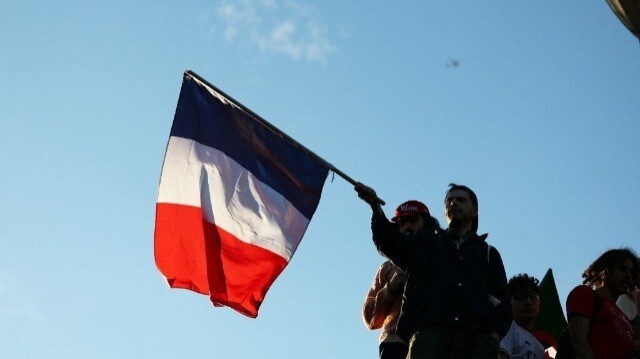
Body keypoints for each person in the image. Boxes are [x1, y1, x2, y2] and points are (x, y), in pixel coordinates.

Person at [356, 182, 512, 358]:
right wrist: (376, 209)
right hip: (429, 341)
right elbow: (389, 243)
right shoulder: (424, 245)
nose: (453, 204)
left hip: (475, 343)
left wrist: (492, 336)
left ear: (475, 210)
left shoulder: (488, 253)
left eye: (460, 200)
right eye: (449, 201)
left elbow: (502, 303)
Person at [362, 200, 434, 359]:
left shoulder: (441, 259)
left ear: (427, 223)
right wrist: (390, 289)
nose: (407, 226)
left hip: (432, 340)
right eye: (402, 223)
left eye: (413, 220)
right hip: (394, 343)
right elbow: (370, 318)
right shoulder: (388, 268)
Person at [565, 247, 640, 358]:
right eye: (622, 269)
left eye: (631, 272)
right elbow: (579, 344)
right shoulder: (585, 294)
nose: (628, 275)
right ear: (605, 270)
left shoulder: (625, 320)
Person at [498, 274, 546, 359]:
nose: (528, 302)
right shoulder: (508, 328)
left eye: (533, 297)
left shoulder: (540, 349)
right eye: (520, 298)